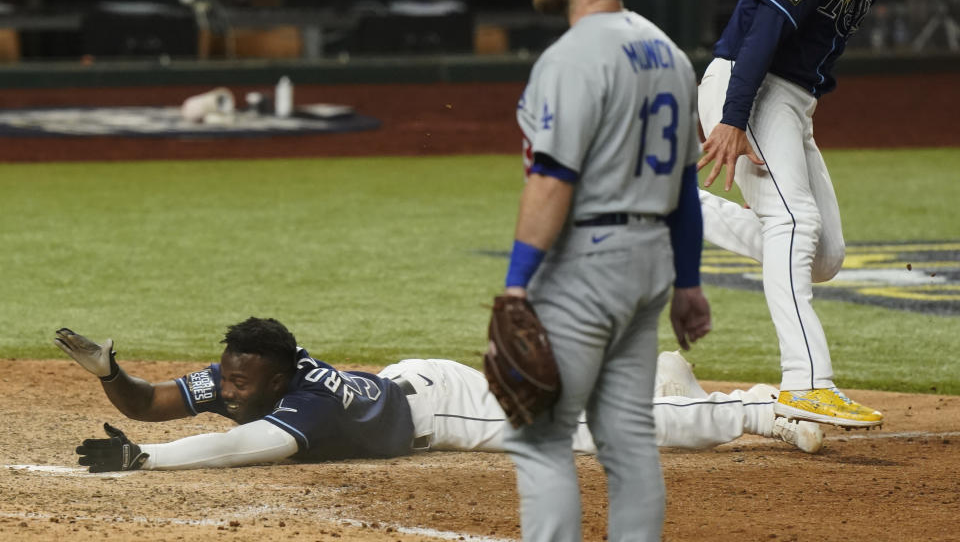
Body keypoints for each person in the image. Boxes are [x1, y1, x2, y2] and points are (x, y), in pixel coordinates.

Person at [499, 0, 710, 541]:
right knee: (628, 441)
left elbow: (551, 180)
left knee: (540, 438)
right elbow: (684, 188)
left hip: (587, 263)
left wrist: (515, 285)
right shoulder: (670, 53)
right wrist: (688, 282)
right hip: (649, 265)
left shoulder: (570, 58)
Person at [697, 0, 936, 430]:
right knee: (794, 222)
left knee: (824, 255)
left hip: (789, 101)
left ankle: (675, 208)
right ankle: (806, 382)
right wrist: (733, 117)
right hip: (750, 86)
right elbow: (763, 26)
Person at [54, 320, 822, 473]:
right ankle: (661, 380)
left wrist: (145, 464)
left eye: (239, 381)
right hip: (414, 381)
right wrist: (109, 375)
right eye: (223, 376)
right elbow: (151, 400)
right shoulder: (244, 374)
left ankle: (762, 406)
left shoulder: (303, 402)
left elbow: (239, 445)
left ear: (280, 378)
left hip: (447, 407)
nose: (223, 389)